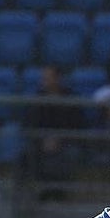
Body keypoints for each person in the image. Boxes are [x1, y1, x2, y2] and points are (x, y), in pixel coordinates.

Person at [23, 64, 87, 201]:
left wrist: (60, 138)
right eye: (44, 78)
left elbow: (78, 125)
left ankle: (59, 193)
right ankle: (42, 193)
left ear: (58, 78)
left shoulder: (70, 98)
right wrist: (43, 139)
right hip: (42, 141)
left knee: (70, 154)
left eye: (49, 77)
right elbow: (30, 124)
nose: (45, 81)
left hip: (67, 141)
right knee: (29, 153)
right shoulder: (38, 99)